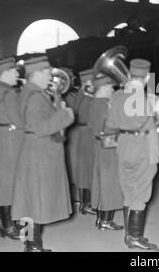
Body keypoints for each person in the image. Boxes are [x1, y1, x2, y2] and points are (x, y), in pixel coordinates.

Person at [106, 59, 159, 250]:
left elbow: (110, 125)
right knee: (141, 193)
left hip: (124, 147)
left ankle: (129, 234)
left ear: (129, 76)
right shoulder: (149, 99)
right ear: (147, 77)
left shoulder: (117, 97)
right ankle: (135, 238)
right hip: (144, 149)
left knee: (129, 191)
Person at [11, 55, 75, 252]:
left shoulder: (29, 92)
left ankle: (30, 244)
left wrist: (56, 99)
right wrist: (66, 116)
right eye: (47, 72)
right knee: (34, 202)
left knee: (29, 201)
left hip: (33, 150)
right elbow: (41, 127)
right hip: (39, 153)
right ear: (36, 73)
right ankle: (33, 246)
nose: (50, 76)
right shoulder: (35, 97)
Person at [0, 57, 24, 239]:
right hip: (10, 141)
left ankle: (6, 224)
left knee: (3, 182)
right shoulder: (8, 93)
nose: (18, 74)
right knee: (10, 183)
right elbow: (20, 119)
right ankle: (8, 226)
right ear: (6, 73)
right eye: (15, 71)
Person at [89, 72, 124, 231]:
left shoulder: (99, 102)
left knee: (105, 184)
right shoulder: (101, 104)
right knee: (109, 184)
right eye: (110, 85)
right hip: (108, 148)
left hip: (104, 147)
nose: (112, 88)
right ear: (103, 87)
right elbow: (107, 127)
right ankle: (105, 221)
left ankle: (102, 219)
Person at [67, 69, 96, 215]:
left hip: (82, 133)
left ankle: (85, 202)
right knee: (87, 169)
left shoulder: (80, 94)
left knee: (83, 169)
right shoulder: (87, 96)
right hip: (87, 134)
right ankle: (86, 204)